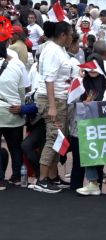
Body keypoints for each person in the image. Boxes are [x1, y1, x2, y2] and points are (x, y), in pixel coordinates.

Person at [34, 21, 73, 194]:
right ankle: (41, 179)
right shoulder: (52, 51)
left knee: (59, 139)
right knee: (53, 137)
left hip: (59, 98)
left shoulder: (59, 49)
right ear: (63, 35)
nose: (72, 37)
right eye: (70, 34)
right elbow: (49, 79)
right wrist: (52, 106)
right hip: (53, 100)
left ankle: (52, 176)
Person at [75, 54, 106, 196]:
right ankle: (93, 182)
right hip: (86, 125)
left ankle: (97, 183)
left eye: (96, 66)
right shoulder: (82, 82)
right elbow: (73, 99)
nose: (92, 69)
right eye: (90, 66)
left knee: (100, 154)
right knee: (89, 150)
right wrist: (80, 80)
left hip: (103, 126)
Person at [0, 35, 25, 189]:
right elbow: (22, 92)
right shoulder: (17, 66)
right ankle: (17, 177)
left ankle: (0, 180)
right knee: (15, 146)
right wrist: (21, 106)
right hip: (13, 112)